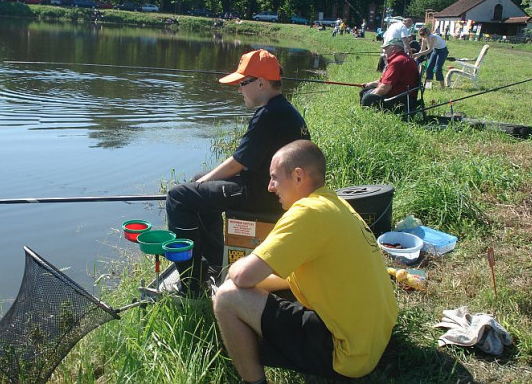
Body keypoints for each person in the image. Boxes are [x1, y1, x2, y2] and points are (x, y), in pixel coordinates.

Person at [213, 140, 397, 382]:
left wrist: (233, 274)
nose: (270, 187)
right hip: (374, 339)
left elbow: (243, 276)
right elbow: (285, 276)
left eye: (274, 177)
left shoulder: (305, 212)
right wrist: (251, 287)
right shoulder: (336, 204)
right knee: (247, 288)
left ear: (298, 176)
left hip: (347, 356)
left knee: (227, 298)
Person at [166, 49, 311, 296]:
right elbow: (244, 160)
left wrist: (203, 184)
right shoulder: (285, 110)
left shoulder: (269, 115)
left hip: (265, 194)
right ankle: (212, 262)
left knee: (178, 197)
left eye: (243, 83)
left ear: (261, 83)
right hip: (275, 188)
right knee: (196, 182)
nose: (239, 89)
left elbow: (237, 163)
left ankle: (192, 284)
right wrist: (201, 182)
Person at [361, 38, 420, 110]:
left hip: (400, 101)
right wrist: (371, 84)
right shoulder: (403, 59)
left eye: (385, 49)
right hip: (407, 98)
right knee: (366, 91)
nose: (384, 52)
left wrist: (370, 95)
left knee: (367, 98)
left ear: (393, 48)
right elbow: (387, 81)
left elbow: (385, 88)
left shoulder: (397, 62)